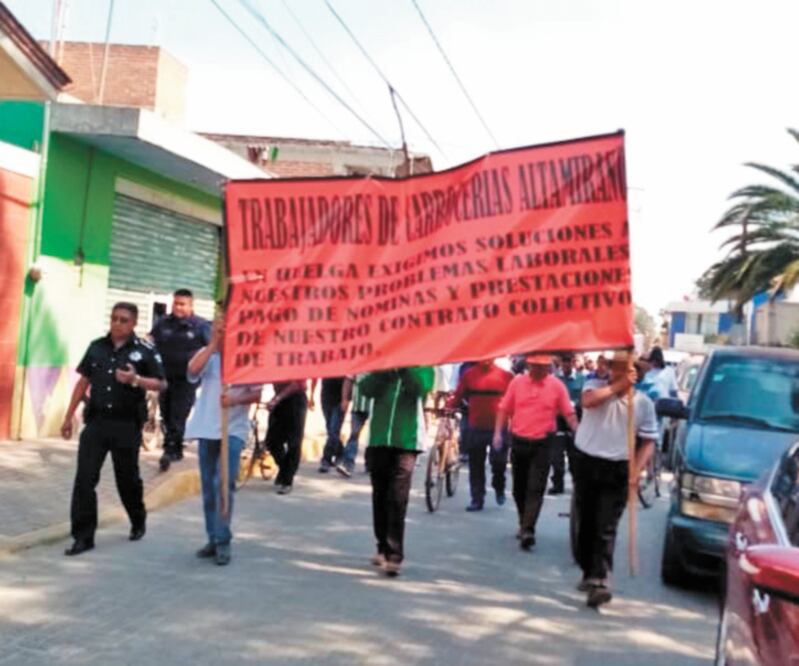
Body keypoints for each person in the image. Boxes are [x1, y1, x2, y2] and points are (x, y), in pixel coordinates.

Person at [60, 303, 166, 556]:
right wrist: (67, 417)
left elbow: (162, 384)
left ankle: (137, 518)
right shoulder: (97, 347)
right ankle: (83, 537)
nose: (118, 323)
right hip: (96, 423)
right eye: (115, 318)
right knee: (85, 479)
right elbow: (82, 382)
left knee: (126, 479)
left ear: (133, 324)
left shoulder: (144, 351)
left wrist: (135, 380)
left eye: (124, 320)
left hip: (126, 425)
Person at [573, 350, 658, 607]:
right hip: (587, 461)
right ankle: (588, 570)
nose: (618, 372)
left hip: (618, 467)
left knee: (605, 525)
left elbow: (648, 442)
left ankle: (600, 580)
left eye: (625, 369)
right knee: (586, 523)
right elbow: (588, 402)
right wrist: (618, 386)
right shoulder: (594, 387)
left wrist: (637, 470)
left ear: (636, 373)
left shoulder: (643, 404)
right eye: (615, 368)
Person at [184, 318, 262, 565]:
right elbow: (192, 372)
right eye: (219, 330)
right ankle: (212, 536)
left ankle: (223, 540)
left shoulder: (247, 359)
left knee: (223, 484)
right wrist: (213, 345)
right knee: (208, 486)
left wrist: (236, 401)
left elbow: (257, 393)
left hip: (233, 430)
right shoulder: (208, 355)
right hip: (207, 429)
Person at [493, 354, 577, 551]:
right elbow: (504, 409)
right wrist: (498, 433)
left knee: (536, 487)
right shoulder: (517, 383)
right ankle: (524, 521)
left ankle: (528, 529)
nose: (541, 370)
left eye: (545, 367)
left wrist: (577, 430)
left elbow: (568, 412)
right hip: (520, 441)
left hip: (543, 443)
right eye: (537, 366)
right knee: (518, 488)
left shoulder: (556, 386)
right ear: (529, 365)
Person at [360, 366, 434, 577]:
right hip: (379, 439)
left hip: (406, 442)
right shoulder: (382, 366)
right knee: (380, 495)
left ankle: (394, 555)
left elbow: (420, 389)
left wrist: (404, 369)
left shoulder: (423, 368)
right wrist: (383, 370)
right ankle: (381, 546)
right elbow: (365, 389)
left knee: (398, 497)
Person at [150, 289, 210, 472]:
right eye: (176, 303)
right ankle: (171, 445)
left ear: (191, 305)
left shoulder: (201, 326)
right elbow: (151, 339)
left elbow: (211, 350)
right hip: (164, 376)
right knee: (166, 412)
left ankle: (172, 450)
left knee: (178, 413)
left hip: (187, 379)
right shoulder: (163, 323)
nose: (178, 307)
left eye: (182, 304)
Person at [447, 359, 513, 511]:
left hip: (499, 427)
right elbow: (458, 395)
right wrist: (449, 406)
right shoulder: (469, 375)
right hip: (475, 426)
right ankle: (477, 498)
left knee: (499, 463)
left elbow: (514, 399)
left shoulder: (506, 376)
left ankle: (499, 486)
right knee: (476, 465)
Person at [265, 380, 310, 493]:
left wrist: (278, 398)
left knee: (293, 442)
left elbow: (300, 383)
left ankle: (287, 480)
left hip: (295, 399)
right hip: (279, 399)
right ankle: (285, 470)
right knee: (272, 441)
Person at [549, 353, 585, 495]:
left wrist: (575, 405)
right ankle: (557, 484)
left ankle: (578, 485)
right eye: (564, 361)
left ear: (573, 362)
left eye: (568, 361)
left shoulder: (581, 379)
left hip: (575, 418)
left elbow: (584, 398)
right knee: (556, 455)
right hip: (558, 419)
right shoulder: (555, 379)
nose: (566, 364)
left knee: (574, 455)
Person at [336, 375, 370, 478]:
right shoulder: (358, 362)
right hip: (358, 406)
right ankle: (348, 464)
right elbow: (348, 381)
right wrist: (345, 399)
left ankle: (371, 464)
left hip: (377, 407)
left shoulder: (381, 364)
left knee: (374, 437)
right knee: (354, 434)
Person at [317, 377, 349, 473]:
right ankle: (341, 453)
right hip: (325, 398)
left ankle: (326, 459)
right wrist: (311, 394)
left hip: (338, 400)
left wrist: (345, 399)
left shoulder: (343, 364)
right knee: (331, 430)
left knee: (333, 431)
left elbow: (348, 380)